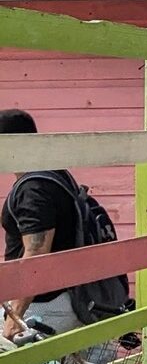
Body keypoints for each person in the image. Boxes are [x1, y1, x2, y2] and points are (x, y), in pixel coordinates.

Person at [2, 109, 90, 338]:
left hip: (43, 303)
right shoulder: (55, 173)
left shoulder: (34, 189)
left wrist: (15, 316)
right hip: (67, 294)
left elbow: (37, 251)